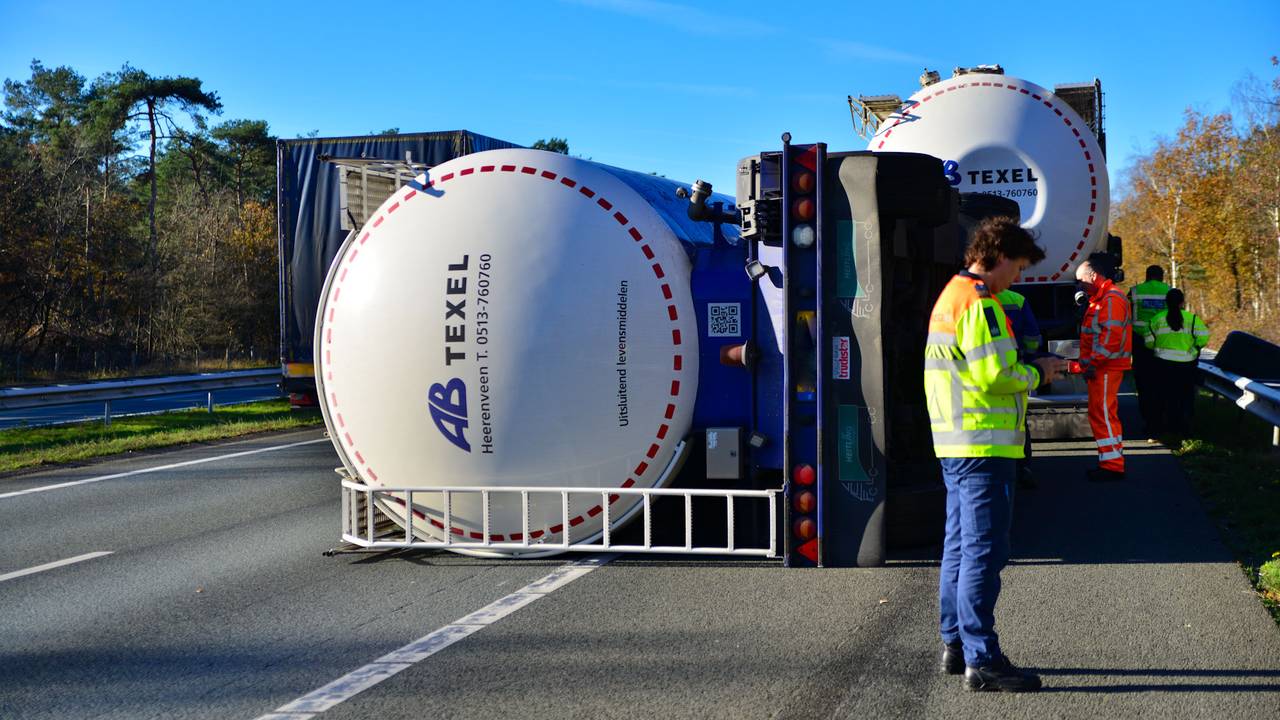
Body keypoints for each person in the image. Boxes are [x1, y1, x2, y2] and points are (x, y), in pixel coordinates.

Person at [926, 216, 1066, 692]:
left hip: (955, 442)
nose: (1018, 279)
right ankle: (983, 660)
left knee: (959, 549)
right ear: (1000, 256)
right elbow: (995, 377)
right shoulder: (980, 305)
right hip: (984, 443)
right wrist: (1041, 372)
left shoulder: (950, 297)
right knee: (985, 553)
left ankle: (955, 645)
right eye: (1020, 267)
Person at [1074, 253, 1132, 481]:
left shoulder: (1110, 299)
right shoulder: (1103, 298)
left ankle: (1112, 465)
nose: (1079, 285)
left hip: (1106, 367)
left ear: (1093, 276)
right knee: (1103, 413)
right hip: (1103, 366)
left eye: (1081, 280)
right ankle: (1111, 461)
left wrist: (1090, 364)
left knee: (1104, 414)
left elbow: (1109, 340)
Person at [1142, 288, 1210, 435]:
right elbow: (1203, 338)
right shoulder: (1192, 319)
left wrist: (1158, 348)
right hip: (1186, 366)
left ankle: (1158, 429)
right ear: (1182, 302)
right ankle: (1182, 429)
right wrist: (1193, 349)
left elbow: (1148, 342)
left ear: (1166, 302)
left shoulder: (1156, 319)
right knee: (1184, 398)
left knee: (1160, 397)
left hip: (1162, 365)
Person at [995, 288, 1043, 488]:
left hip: (987, 368)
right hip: (1015, 365)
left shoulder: (972, 298)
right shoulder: (1017, 299)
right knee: (1019, 419)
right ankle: (1023, 466)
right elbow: (1032, 334)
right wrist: (1030, 357)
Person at [1128, 266, 1171, 437]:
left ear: (1146, 277)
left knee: (1144, 384)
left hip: (1140, 344)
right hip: (1163, 343)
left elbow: (1125, 314)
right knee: (1161, 384)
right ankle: (1160, 421)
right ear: (1162, 277)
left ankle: (1148, 420)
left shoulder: (1135, 291)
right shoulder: (1169, 291)